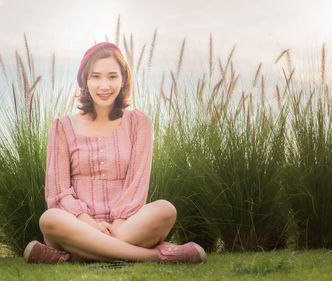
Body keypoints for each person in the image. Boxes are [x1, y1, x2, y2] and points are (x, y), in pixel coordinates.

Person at [23, 42, 207, 264]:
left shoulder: (139, 123)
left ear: (123, 80)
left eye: (112, 76)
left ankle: (75, 255)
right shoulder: (62, 126)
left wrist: (118, 222)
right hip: (76, 224)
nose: (104, 85)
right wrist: (88, 224)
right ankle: (155, 256)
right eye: (96, 77)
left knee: (165, 210)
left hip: (128, 225)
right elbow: (58, 192)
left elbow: (137, 183)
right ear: (85, 80)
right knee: (50, 218)